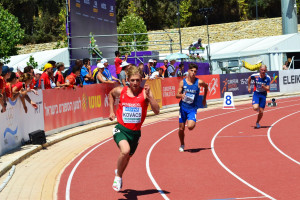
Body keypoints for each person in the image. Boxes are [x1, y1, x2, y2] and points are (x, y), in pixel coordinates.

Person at [108, 66, 160, 191]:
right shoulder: (121, 91)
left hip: (135, 133)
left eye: (137, 80)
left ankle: (119, 171)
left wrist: (149, 97)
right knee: (125, 151)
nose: (135, 83)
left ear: (141, 79)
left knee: (127, 158)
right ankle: (118, 176)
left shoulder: (145, 93)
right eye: (132, 80)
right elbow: (111, 94)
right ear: (127, 80)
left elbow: (157, 111)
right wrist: (111, 111)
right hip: (121, 129)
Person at [176, 63, 208, 152]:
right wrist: (181, 95)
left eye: (195, 71)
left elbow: (206, 86)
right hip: (183, 108)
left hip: (192, 109)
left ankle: (192, 119)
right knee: (181, 129)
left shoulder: (199, 82)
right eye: (192, 71)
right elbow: (176, 95)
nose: (193, 73)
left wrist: (204, 98)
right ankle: (182, 144)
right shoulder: (183, 82)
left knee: (190, 127)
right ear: (188, 71)